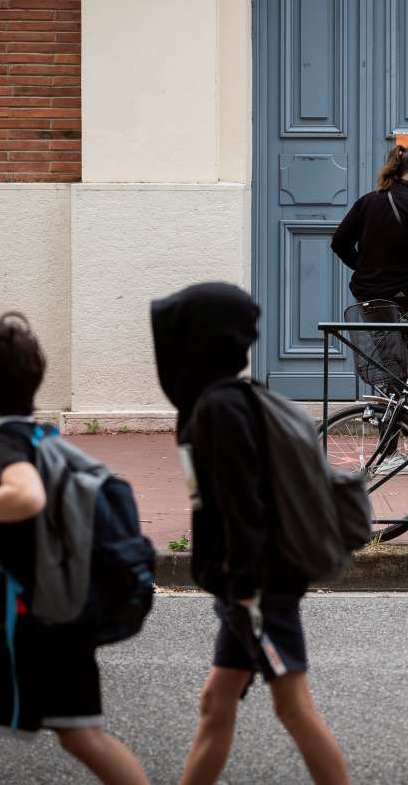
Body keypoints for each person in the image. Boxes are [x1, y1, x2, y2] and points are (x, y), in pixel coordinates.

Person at [150, 283, 350, 785]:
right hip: (246, 583)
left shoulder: (220, 409)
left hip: (257, 587)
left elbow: (245, 506)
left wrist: (244, 590)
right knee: (216, 704)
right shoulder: (220, 401)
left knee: (293, 708)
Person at [0, 314, 149, 785]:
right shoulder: (40, 435)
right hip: (62, 611)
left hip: (25, 616)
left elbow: (29, 495)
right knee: (83, 736)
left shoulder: (1, 445)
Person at [332, 142, 408, 314]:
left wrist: (364, 268)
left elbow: (339, 242)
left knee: (374, 342)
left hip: (368, 303)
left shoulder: (367, 201)